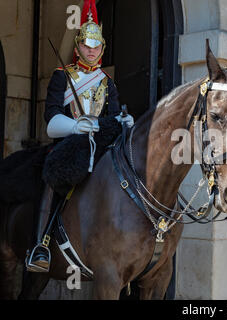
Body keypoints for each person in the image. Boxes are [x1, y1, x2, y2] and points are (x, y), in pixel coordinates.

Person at [25, 0, 134, 272]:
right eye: (86, 45)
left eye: (96, 46)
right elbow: (50, 120)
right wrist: (75, 127)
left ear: (103, 49)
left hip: (100, 146)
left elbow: (113, 116)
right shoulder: (62, 76)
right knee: (54, 174)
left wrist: (124, 121)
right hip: (68, 143)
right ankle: (42, 243)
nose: (91, 50)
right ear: (77, 47)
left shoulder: (108, 83)